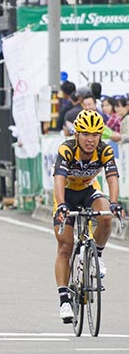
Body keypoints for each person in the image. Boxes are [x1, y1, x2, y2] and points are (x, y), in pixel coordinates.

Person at [52, 110, 124, 323]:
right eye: (85, 134)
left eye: (95, 134)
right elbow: (58, 179)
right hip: (66, 194)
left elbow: (112, 178)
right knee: (65, 246)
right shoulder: (67, 149)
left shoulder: (104, 150)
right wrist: (62, 205)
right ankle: (64, 300)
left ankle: (97, 255)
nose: (90, 139)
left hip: (88, 191)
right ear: (77, 134)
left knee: (106, 217)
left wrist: (114, 203)